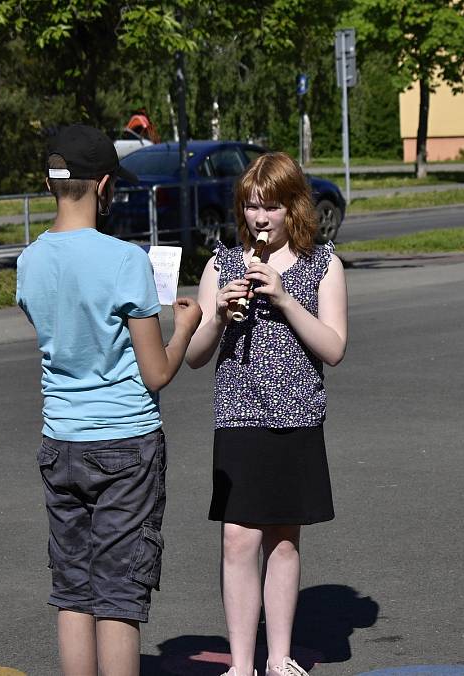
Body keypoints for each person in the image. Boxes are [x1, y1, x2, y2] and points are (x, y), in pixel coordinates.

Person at [15, 124, 202, 676]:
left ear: (52, 186)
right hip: (124, 442)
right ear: (104, 186)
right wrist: (185, 325)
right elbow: (158, 372)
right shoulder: (125, 261)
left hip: (61, 439)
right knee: (119, 595)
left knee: (73, 590)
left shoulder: (29, 261)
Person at [185, 151, 348, 676]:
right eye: (251, 207)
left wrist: (285, 300)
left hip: (297, 416)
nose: (260, 218)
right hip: (239, 415)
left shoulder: (323, 264)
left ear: (293, 208)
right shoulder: (222, 264)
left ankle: (279, 657)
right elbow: (194, 354)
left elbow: (334, 347)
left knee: (283, 538)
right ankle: (240, 662)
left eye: (271, 207)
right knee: (238, 538)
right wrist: (219, 318)